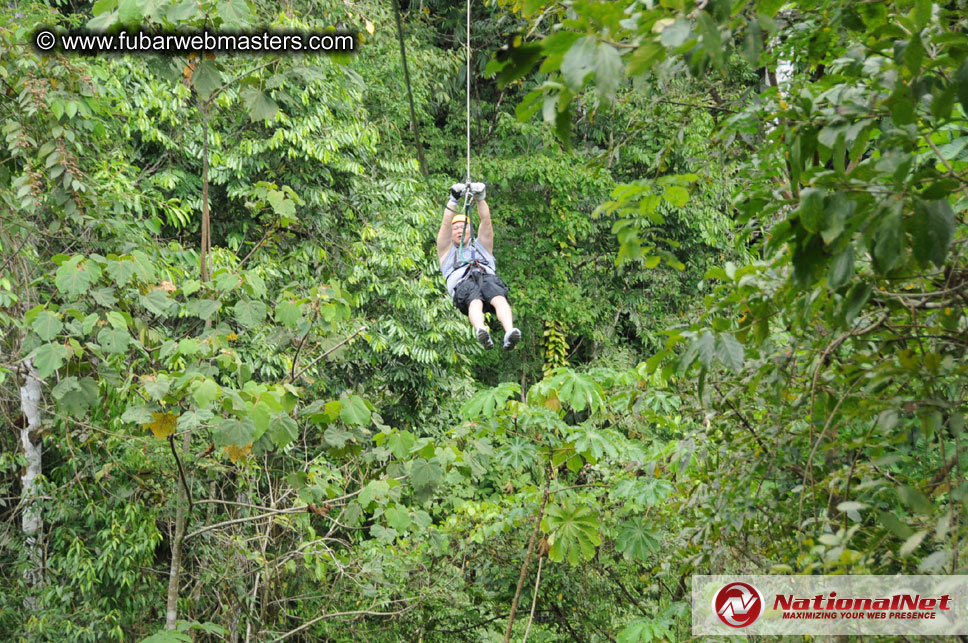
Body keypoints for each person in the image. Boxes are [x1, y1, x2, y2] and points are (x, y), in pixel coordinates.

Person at [437, 182, 521, 350]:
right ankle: (481, 329)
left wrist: (480, 199)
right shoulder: (447, 250)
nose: (460, 230)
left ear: (470, 230)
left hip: (486, 277)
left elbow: (486, 222)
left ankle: (509, 330)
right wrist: (453, 199)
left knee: (499, 297)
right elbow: (445, 226)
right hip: (463, 283)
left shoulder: (481, 246)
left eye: (463, 227)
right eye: (456, 229)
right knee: (474, 301)